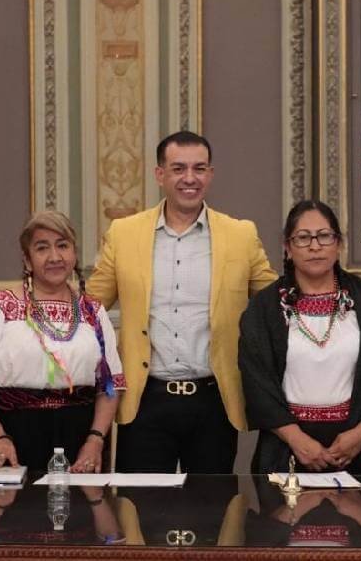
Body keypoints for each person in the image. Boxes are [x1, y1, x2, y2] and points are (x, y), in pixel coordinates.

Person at [87, 131, 277, 473]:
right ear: (160, 175)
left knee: (213, 513)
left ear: (211, 174)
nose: (190, 178)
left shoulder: (241, 235)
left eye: (199, 168)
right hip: (144, 401)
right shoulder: (123, 233)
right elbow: (88, 308)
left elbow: (276, 302)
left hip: (214, 400)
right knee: (138, 513)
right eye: (178, 169)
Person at [238, 200, 361, 474]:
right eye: (303, 238)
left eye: (324, 236)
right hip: (286, 451)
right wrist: (296, 439)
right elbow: (257, 382)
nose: (315, 246)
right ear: (288, 249)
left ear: (339, 244)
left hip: (355, 451)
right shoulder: (264, 309)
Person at [0, 211, 124, 472]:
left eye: (63, 245)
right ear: (27, 259)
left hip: (77, 438)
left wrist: (95, 440)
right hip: (12, 435)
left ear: (74, 254)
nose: (55, 257)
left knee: (78, 512)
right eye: (42, 247)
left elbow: (110, 386)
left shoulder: (93, 311)